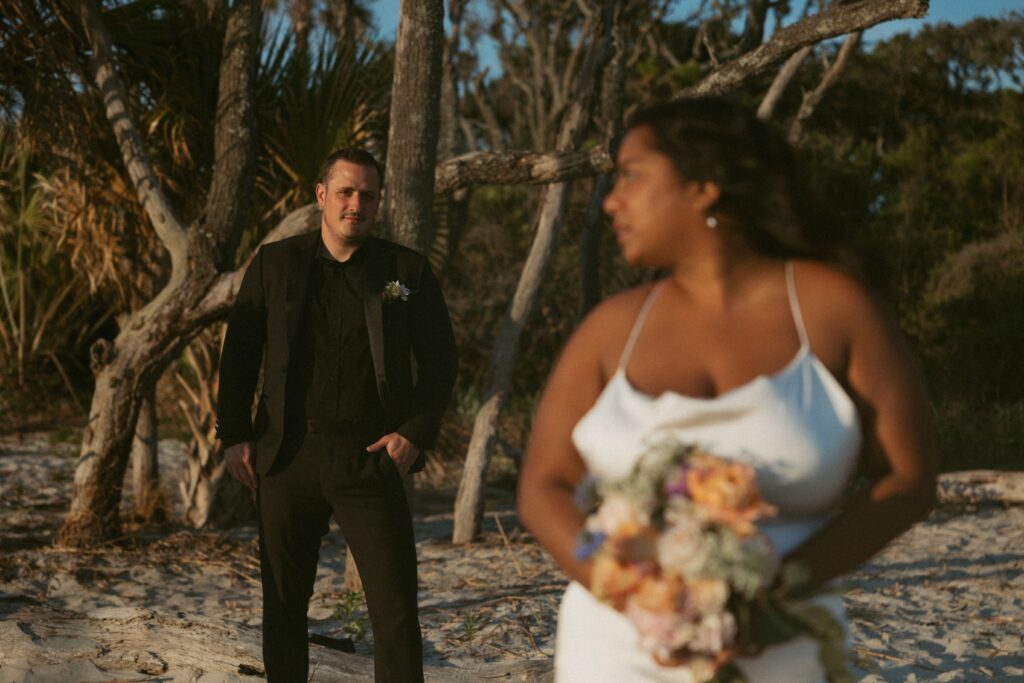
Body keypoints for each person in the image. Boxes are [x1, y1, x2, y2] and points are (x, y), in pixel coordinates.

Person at [517, 98, 937, 681]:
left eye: (632, 175)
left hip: (783, 644)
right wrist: (633, 594)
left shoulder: (834, 309)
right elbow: (544, 485)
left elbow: (909, 479)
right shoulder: (611, 330)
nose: (612, 200)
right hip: (617, 648)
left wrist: (773, 591)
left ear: (704, 186)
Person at [216, 147, 458, 683]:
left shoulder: (404, 270)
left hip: (369, 459)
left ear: (378, 203)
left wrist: (414, 433)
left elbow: (442, 360)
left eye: (367, 195)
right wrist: (233, 435)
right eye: (346, 192)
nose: (357, 204)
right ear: (321, 195)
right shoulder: (275, 263)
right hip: (285, 456)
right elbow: (239, 356)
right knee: (282, 604)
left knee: (394, 610)